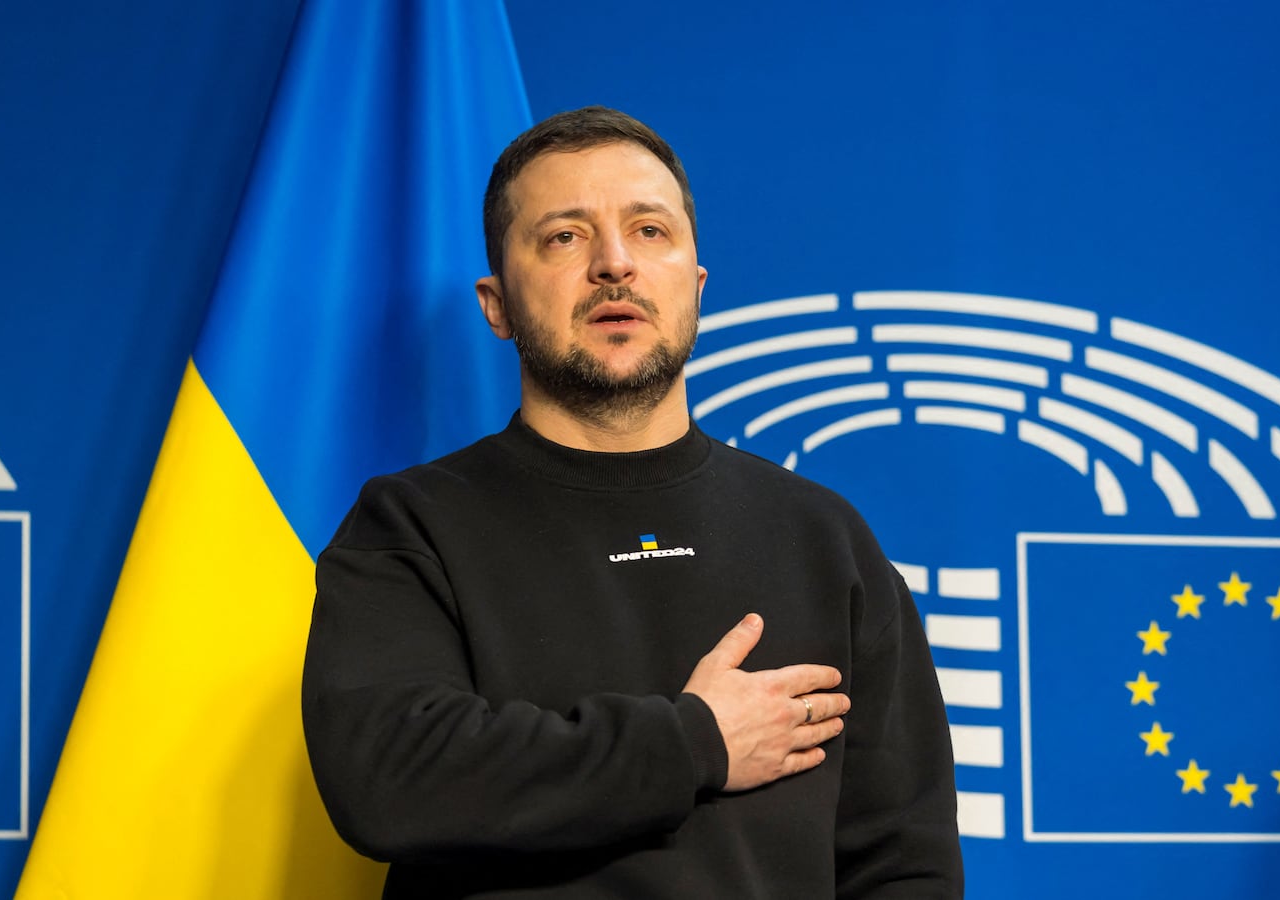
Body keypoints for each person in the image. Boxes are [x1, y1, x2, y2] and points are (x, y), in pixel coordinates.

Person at [302, 106, 963, 898]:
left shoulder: (826, 538)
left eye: (649, 231)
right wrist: (695, 742)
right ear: (497, 304)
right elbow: (391, 781)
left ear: (696, 283)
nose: (614, 264)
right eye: (564, 237)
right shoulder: (411, 526)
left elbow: (903, 864)